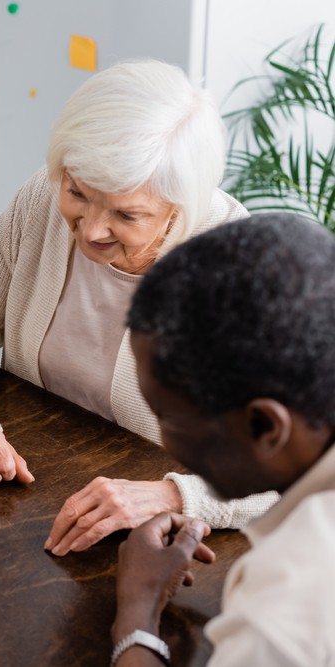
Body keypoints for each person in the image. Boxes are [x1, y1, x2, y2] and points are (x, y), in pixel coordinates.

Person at [0, 60, 277, 552]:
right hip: (30, 502)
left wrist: (174, 495)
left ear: (181, 209)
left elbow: (307, 473)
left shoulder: (240, 269)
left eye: (127, 215)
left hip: (162, 546)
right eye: (78, 193)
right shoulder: (40, 201)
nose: (91, 231)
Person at [110, 213, 335, 666]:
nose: (161, 437)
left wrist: (137, 610)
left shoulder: (283, 617)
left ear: (265, 427)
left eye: (168, 417)